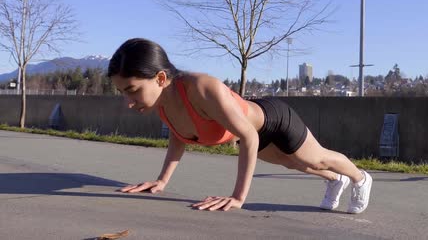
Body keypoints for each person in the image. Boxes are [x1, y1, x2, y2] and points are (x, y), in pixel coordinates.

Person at [108, 38, 372, 213]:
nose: (128, 102)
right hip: (252, 130)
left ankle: (360, 178)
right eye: (123, 93)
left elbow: (248, 136)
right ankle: (336, 180)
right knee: (295, 164)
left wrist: (237, 197)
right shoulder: (160, 102)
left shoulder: (201, 88)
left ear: (160, 77)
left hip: (273, 120)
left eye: (132, 90)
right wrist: (162, 180)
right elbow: (180, 135)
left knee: (317, 158)